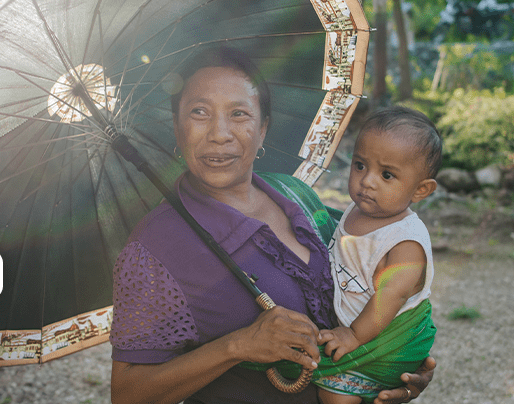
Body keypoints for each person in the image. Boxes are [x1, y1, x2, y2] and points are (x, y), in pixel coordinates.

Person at [108, 47, 435, 404]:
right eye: (199, 112)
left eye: (239, 114)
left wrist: (394, 363)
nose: (220, 133)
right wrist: (237, 346)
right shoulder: (154, 248)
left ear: (263, 128)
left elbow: (372, 268)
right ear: (176, 125)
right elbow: (128, 394)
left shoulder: (293, 193)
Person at [315, 106, 442, 404]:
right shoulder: (357, 211)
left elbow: (391, 296)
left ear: (421, 189)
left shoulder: (404, 241)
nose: (367, 181)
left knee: (333, 395)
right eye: (360, 165)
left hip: (385, 337)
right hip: (358, 326)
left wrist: (354, 336)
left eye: (386, 174)